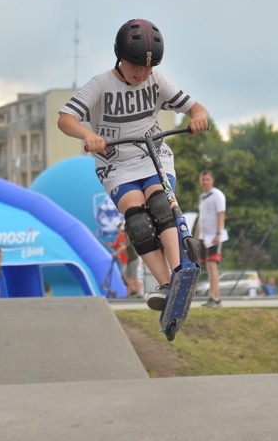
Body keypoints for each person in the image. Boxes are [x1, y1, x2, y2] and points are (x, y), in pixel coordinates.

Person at [58, 18, 209, 312]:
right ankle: (167, 286)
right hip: (116, 164)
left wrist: (198, 117)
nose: (142, 73)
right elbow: (65, 118)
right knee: (138, 222)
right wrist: (89, 135)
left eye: (149, 67)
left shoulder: (156, 81)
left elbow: (196, 107)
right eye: (136, 65)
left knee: (161, 206)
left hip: (152, 155)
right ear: (120, 57)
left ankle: (181, 274)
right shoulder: (101, 85)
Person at [195, 169, 227, 307]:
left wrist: (218, 233)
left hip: (213, 236)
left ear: (212, 180)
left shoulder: (217, 195)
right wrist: (196, 236)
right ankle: (213, 297)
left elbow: (221, 214)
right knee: (207, 266)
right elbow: (201, 218)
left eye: (207, 179)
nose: (205, 182)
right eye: (203, 179)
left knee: (213, 265)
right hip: (203, 236)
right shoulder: (202, 197)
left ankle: (215, 297)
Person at [110, 222, 143, 298]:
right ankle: (131, 292)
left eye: (121, 231)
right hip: (130, 260)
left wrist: (116, 254)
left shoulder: (128, 238)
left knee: (133, 277)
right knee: (128, 276)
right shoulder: (123, 238)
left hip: (133, 259)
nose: (120, 232)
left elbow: (123, 248)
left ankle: (138, 293)